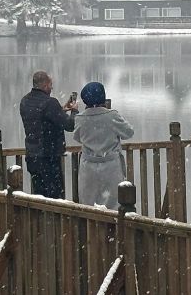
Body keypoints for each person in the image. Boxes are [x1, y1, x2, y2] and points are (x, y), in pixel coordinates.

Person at [73, 82, 134, 209]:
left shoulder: (80, 118)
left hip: (88, 167)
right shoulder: (111, 116)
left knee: (89, 205)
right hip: (111, 166)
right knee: (113, 205)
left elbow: (77, 137)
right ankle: (114, 228)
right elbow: (128, 132)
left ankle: (90, 228)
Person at [20, 70, 77, 198]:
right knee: (55, 198)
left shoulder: (25, 101)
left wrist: (61, 110)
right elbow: (70, 125)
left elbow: (40, 118)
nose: (52, 88)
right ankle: (54, 218)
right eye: (51, 85)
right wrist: (74, 111)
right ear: (45, 85)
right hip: (48, 158)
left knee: (39, 197)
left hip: (32, 157)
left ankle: (40, 218)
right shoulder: (50, 102)